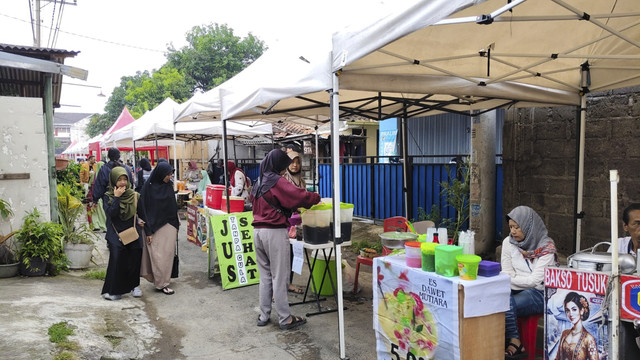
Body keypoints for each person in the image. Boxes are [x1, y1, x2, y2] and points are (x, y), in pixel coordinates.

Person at [252, 149, 320, 330]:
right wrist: (316, 198)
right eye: (282, 167)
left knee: (265, 276)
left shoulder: (258, 182)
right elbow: (299, 195)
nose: (284, 171)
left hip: (257, 233)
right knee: (280, 276)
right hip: (273, 232)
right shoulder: (276, 181)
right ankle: (285, 318)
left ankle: (264, 315)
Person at [502, 205, 557, 359]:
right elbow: (506, 272)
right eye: (511, 227)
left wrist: (509, 281)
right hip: (516, 290)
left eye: (517, 227)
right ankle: (514, 340)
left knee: (504, 303)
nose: (513, 231)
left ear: (528, 226)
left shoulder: (547, 248)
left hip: (541, 294)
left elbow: (535, 281)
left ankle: (514, 342)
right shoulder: (508, 242)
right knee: (496, 298)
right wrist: (510, 281)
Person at [101, 167, 143, 300]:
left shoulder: (134, 195)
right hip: (115, 232)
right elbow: (111, 214)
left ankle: (134, 285)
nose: (123, 182)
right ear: (113, 181)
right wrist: (117, 198)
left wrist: (144, 224)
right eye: (119, 180)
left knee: (135, 258)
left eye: (125, 179)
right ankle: (114, 290)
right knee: (117, 259)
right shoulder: (107, 196)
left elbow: (142, 212)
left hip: (132, 231)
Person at [139, 162, 180, 295]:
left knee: (167, 256)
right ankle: (161, 283)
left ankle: (163, 281)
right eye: (167, 174)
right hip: (154, 227)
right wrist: (149, 230)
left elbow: (172, 206)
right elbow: (143, 210)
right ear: (160, 173)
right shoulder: (148, 188)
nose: (170, 176)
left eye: (170, 174)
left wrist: (176, 225)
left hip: (170, 225)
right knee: (158, 256)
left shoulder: (168, 185)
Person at [282, 151, 306, 294]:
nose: (295, 165)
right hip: (285, 222)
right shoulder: (284, 179)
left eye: (297, 162)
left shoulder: (301, 181)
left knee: (294, 254)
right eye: (292, 162)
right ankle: (279, 287)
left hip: (298, 223)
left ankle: (289, 283)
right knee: (283, 255)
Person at [554, 292, 599, 360]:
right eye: (567, 310)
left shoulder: (589, 339)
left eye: (574, 309)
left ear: (581, 311)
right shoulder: (564, 334)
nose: (570, 314)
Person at [87, 160, 107, 232]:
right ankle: (104, 225)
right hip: (103, 197)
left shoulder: (93, 175)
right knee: (103, 212)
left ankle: (96, 225)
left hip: (94, 196)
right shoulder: (106, 175)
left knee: (94, 211)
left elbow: (89, 185)